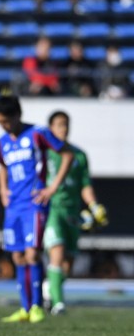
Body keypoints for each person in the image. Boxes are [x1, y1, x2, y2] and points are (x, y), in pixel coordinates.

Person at [0, 95, 73, 324]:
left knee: (32, 254)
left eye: (6, 121)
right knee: (17, 256)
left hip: (34, 204)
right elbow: (2, 166)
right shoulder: (2, 142)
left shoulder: (38, 133)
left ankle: (37, 306)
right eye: (0, 122)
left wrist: (52, 187)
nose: (4, 126)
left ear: (17, 115)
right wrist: (2, 189)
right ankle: (25, 308)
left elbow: (67, 154)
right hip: (13, 206)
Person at [43, 111, 108, 315]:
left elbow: (85, 185)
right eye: (59, 125)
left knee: (68, 264)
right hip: (52, 209)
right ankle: (59, 303)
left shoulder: (79, 155)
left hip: (73, 212)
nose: (64, 129)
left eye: (66, 124)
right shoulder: (45, 153)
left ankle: (49, 288)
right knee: (57, 252)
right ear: (51, 128)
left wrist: (94, 206)